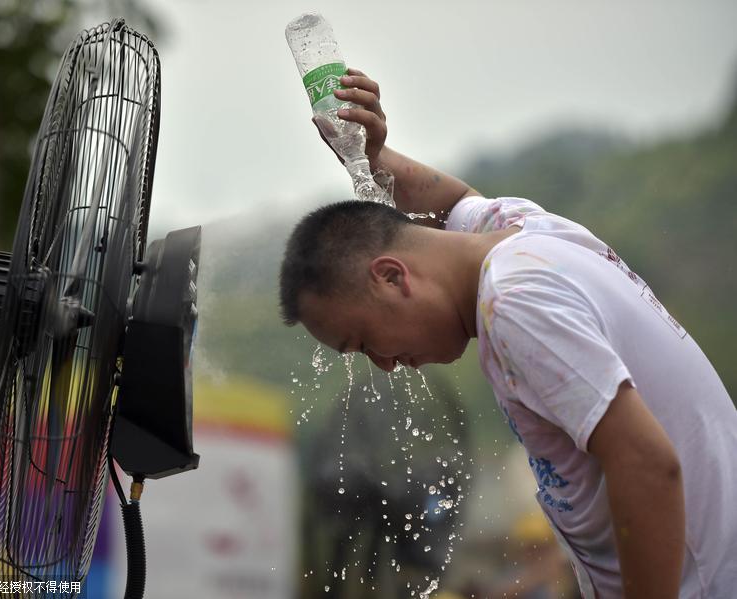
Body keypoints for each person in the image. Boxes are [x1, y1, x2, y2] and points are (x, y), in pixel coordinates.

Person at [278, 68, 737, 598]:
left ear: (390, 275)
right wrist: (372, 158)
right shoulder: (521, 233)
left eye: (361, 341)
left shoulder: (514, 303)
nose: (382, 363)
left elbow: (647, 464)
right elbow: (450, 204)